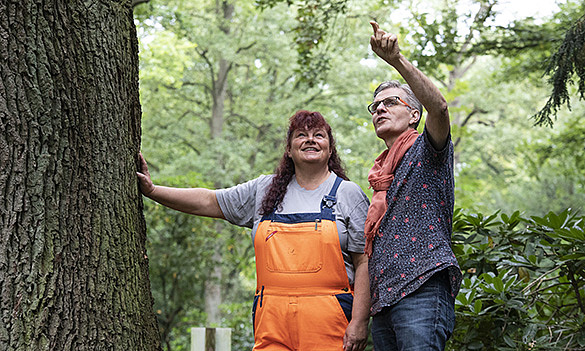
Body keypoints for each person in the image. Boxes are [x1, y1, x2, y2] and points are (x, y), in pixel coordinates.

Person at [137, 110, 371, 351]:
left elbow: (364, 262)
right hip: (271, 322)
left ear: (330, 149)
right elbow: (208, 201)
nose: (310, 139)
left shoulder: (348, 194)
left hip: (330, 323)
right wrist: (153, 191)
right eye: (301, 135)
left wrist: (360, 321)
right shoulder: (264, 189)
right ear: (288, 149)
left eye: (319, 135)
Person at [364, 21, 462, 350]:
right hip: (383, 302)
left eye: (390, 102)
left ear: (413, 115)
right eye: (375, 106)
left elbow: (440, 107)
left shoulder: (428, 150)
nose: (379, 108)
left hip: (421, 290)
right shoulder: (379, 176)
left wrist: (396, 60)